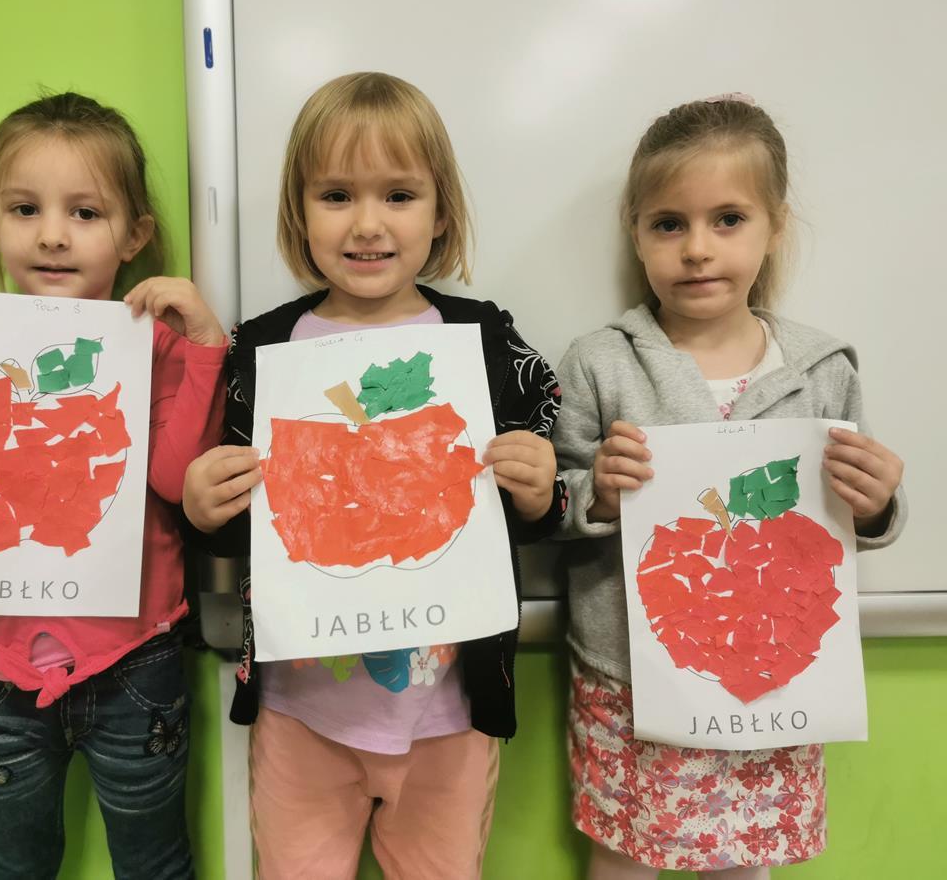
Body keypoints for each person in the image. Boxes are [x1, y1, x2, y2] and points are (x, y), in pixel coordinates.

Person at [182, 72, 568, 879]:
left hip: (448, 717)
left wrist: (540, 493)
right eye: (335, 196)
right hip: (303, 714)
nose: (366, 223)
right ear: (299, 213)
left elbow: (540, 493)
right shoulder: (262, 349)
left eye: (398, 195)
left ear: (440, 212)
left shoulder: (485, 342)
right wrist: (205, 509)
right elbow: (242, 524)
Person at [0, 92, 227, 879]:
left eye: (85, 213)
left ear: (134, 235)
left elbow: (175, 481)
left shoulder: (156, 345)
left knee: (156, 864)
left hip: (135, 658)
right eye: (25, 209)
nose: (53, 234)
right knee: (10, 864)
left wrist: (203, 347)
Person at [553, 95, 906, 878]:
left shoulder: (822, 370)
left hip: (772, 677)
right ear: (636, 232)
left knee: (745, 864)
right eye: (668, 224)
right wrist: (594, 495)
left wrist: (876, 501)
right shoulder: (600, 362)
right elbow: (552, 502)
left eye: (728, 219)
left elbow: (850, 521)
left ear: (775, 226)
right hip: (631, 682)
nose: (697, 249)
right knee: (623, 859)